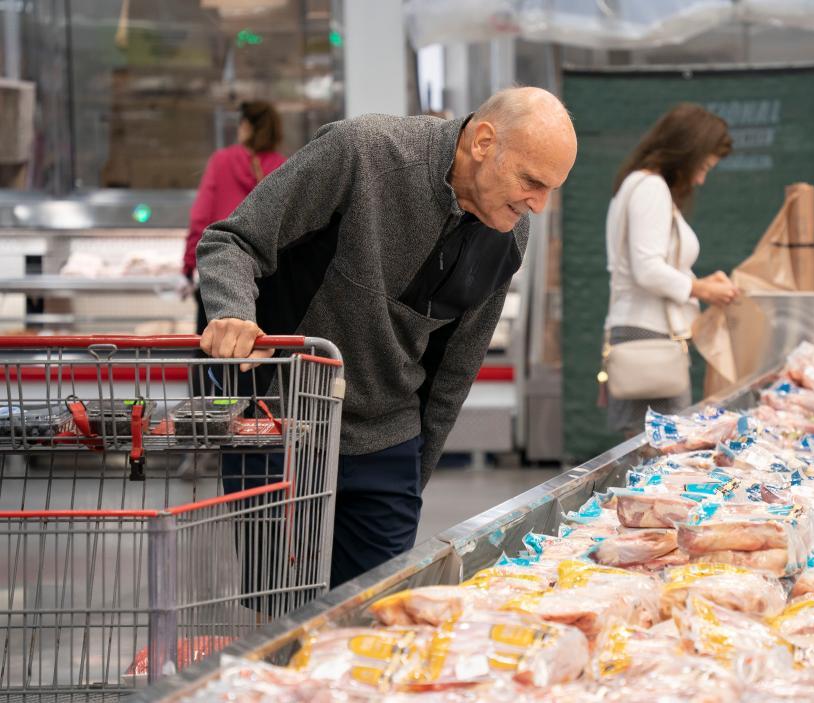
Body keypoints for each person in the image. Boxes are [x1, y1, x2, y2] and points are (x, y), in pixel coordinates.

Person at [196, 87, 577, 587]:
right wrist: (233, 313)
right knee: (283, 610)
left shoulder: (507, 235)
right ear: (483, 142)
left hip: (388, 445)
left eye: (552, 189)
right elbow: (232, 241)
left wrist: (412, 476)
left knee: (373, 610)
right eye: (531, 182)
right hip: (284, 423)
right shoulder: (362, 154)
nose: (539, 206)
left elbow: (455, 370)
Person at [603, 102, 739, 436]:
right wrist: (702, 290)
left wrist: (697, 282)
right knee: (658, 447)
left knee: (652, 445)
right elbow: (647, 269)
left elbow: (649, 265)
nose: (701, 179)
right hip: (649, 334)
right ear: (686, 153)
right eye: (703, 166)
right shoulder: (650, 188)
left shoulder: (640, 185)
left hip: (645, 332)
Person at [180, 100, 287, 331]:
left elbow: (200, 219)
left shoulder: (221, 162)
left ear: (246, 126)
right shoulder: (284, 167)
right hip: (269, 281)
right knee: (267, 347)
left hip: (221, 274)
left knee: (218, 348)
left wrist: (189, 266)